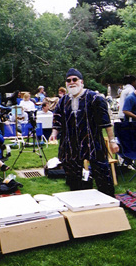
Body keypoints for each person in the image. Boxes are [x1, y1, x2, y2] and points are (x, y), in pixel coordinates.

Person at [49, 68, 119, 197]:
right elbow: (57, 120)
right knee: (73, 177)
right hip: (70, 144)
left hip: (93, 142)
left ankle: (109, 203)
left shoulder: (94, 98)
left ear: (81, 81)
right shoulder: (63, 101)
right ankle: (79, 202)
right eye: (68, 80)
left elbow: (106, 123)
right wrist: (54, 133)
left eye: (74, 79)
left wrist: (112, 141)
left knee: (102, 174)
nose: (72, 82)